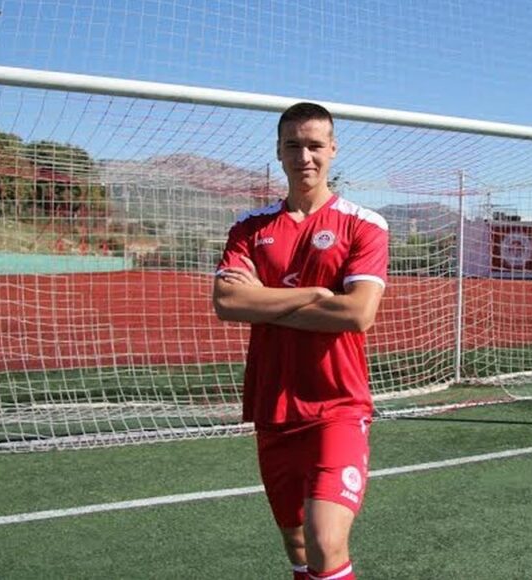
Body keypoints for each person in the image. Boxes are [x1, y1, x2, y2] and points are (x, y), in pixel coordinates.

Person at [213, 102, 389, 580]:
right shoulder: (249, 228)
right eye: (293, 145)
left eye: (314, 145)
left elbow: (357, 314)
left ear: (332, 149)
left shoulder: (364, 224)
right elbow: (227, 302)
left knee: (325, 541)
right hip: (273, 406)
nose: (304, 156)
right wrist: (314, 295)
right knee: (296, 545)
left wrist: (264, 300)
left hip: (338, 405)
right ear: (278, 151)